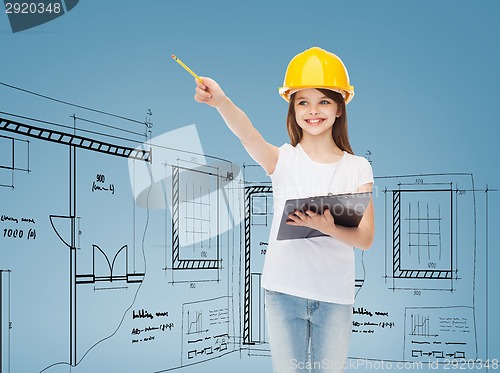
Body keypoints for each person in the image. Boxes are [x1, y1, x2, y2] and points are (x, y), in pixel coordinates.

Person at [193, 47, 374, 373]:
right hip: (283, 292)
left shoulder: (358, 168)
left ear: (339, 108)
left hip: (335, 298)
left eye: (323, 101)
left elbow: (365, 238)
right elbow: (246, 133)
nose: (312, 110)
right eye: (302, 102)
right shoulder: (282, 160)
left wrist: (328, 227)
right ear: (292, 108)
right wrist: (221, 101)